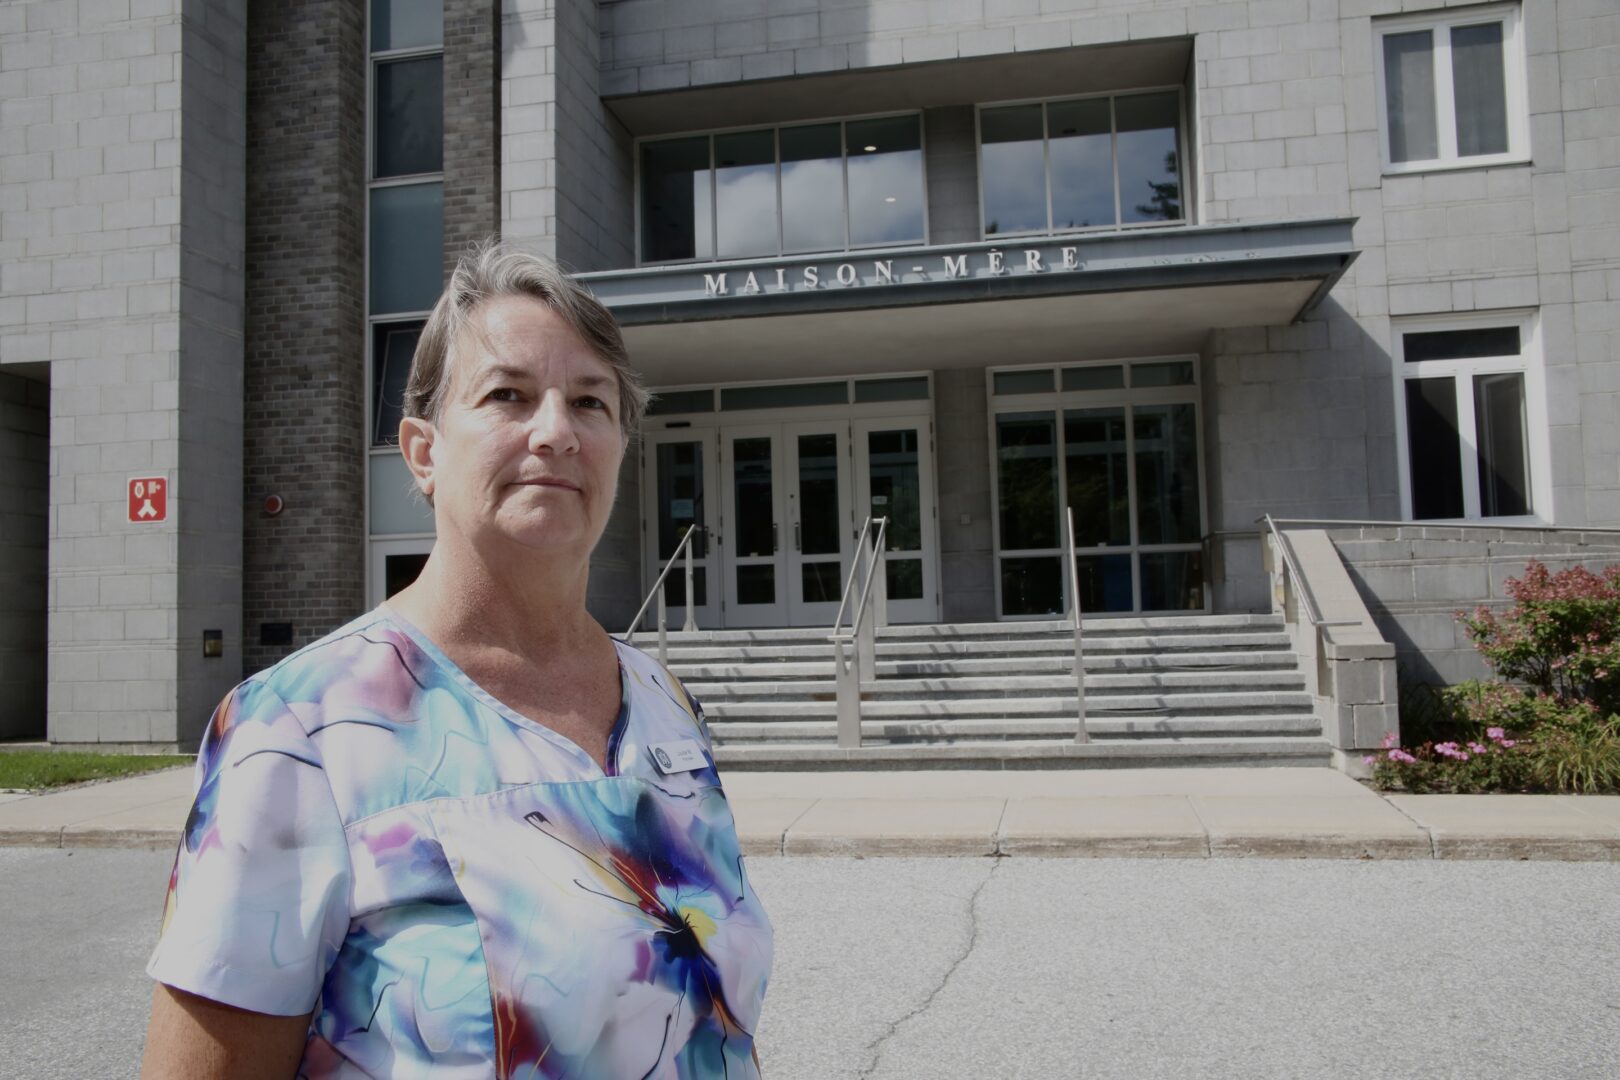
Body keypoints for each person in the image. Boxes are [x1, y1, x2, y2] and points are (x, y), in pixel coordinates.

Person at [140, 243, 773, 1079]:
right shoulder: (300, 728)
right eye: (508, 395)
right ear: (423, 451)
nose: (556, 432)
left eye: (591, 402)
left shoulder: (662, 700)